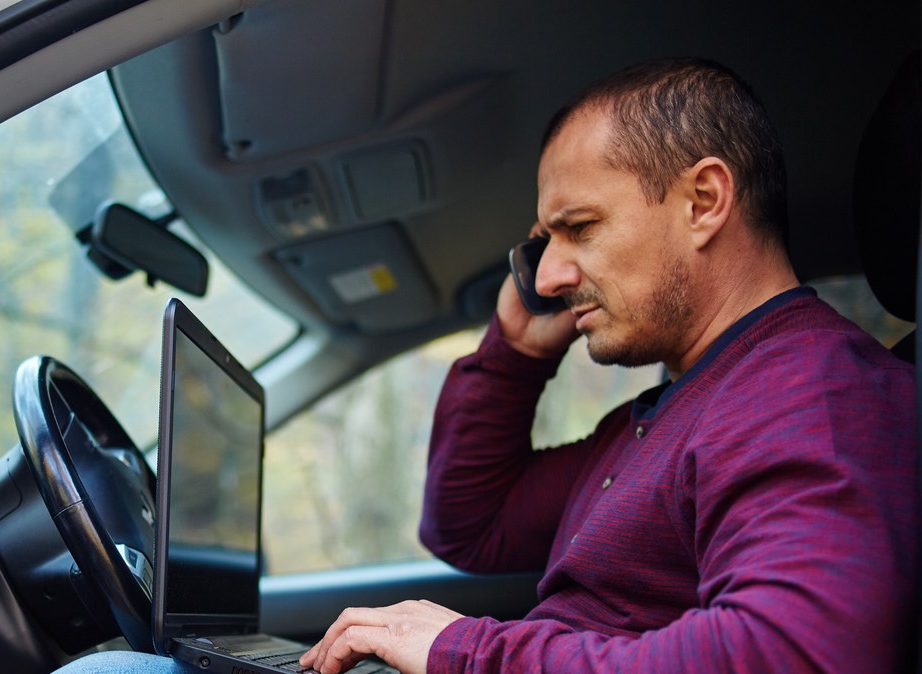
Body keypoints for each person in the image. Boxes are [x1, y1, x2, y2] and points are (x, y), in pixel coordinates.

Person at [60, 57, 918, 674]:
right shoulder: (675, 409)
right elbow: (469, 524)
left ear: (703, 201)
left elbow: (800, 653)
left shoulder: (818, 395)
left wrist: (461, 650)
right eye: (544, 245)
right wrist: (512, 355)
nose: (546, 275)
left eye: (578, 229)